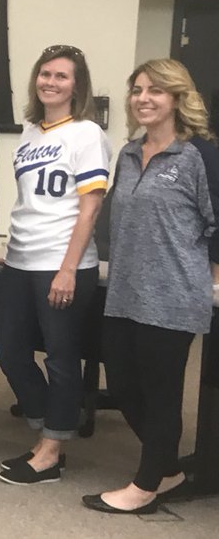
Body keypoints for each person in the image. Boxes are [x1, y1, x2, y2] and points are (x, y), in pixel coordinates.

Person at [83, 59, 219, 513]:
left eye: (155, 90)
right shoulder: (128, 153)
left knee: (161, 393)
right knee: (123, 385)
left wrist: (214, 279)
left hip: (174, 295)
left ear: (178, 98)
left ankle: (144, 486)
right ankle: (167, 469)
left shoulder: (199, 155)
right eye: (137, 89)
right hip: (125, 291)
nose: (143, 98)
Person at [0, 45, 111, 485]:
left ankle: (51, 450)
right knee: (9, 351)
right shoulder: (30, 132)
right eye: (45, 74)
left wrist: (68, 268)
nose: (51, 82)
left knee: (61, 358)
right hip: (20, 259)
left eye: (62, 76)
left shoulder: (87, 133)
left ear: (77, 86)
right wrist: (11, 250)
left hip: (63, 262)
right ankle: (49, 429)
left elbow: (90, 208)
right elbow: (31, 201)